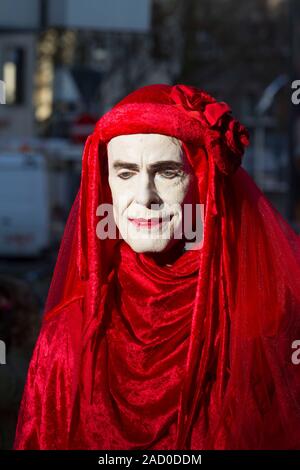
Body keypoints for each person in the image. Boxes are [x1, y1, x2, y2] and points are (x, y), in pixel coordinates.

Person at [14, 84, 300, 450]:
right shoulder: (69, 337)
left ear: (203, 182)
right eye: (125, 173)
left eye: (167, 172)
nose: (145, 196)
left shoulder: (263, 327)